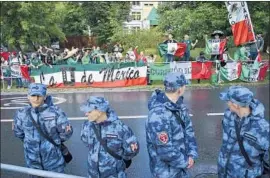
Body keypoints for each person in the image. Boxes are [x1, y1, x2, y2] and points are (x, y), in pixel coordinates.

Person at [13, 83, 73, 177]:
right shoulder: (21, 113)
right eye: (33, 95)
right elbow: (18, 133)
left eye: (39, 96)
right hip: (33, 163)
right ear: (28, 96)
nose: (36, 99)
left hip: (54, 162)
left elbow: (66, 134)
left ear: (44, 97)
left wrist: (51, 144)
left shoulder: (56, 112)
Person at [146, 72, 198, 178]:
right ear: (179, 89)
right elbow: (164, 150)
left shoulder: (179, 106)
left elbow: (188, 130)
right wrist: (185, 162)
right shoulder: (158, 114)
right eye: (184, 85)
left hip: (180, 167)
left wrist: (192, 154)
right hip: (166, 172)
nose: (185, 88)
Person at [80, 96, 139, 178]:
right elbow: (85, 141)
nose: (86, 114)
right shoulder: (87, 125)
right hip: (92, 174)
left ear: (99, 111)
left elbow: (132, 151)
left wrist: (121, 162)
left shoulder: (120, 128)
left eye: (89, 111)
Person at [218, 86, 269, 178]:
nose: (227, 103)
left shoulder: (263, 128)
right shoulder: (228, 115)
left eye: (228, 100)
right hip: (224, 171)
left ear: (236, 105)